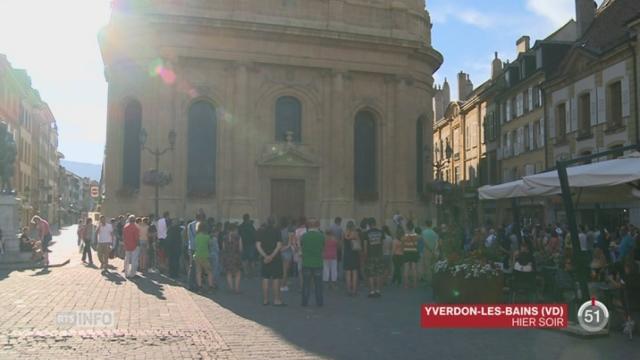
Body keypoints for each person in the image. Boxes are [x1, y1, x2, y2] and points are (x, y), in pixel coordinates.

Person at [256, 218, 285, 306]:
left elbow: (258, 245)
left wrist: (265, 256)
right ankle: (276, 300)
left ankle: (265, 300)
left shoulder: (261, 231)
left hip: (265, 258)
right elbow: (279, 245)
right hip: (275, 258)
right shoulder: (277, 231)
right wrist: (272, 256)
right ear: (274, 223)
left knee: (265, 278)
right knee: (276, 278)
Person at [300, 218, 325, 306]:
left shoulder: (304, 236)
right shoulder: (321, 236)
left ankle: (304, 302)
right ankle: (319, 302)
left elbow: (301, 247)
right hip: (318, 263)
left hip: (306, 262)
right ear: (317, 225)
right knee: (318, 285)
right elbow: (323, 248)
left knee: (306, 284)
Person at [364, 218, 385, 298]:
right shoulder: (381, 232)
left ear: (369, 225)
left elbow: (365, 245)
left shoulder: (367, 233)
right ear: (375, 223)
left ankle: (372, 291)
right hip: (379, 255)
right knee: (378, 273)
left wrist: (365, 255)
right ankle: (378, 290)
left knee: (371, 274)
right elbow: (382, 244)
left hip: (370, 255)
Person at [193, 222, 215, 292]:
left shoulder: (196, 236)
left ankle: (200, 287)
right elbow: (210, 244)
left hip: (197, 255)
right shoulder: (207, 237)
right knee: (209, 271)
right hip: (205, 256)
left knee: (198, 272)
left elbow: (195, 246)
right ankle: (211, 286)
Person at [222, 223, 243, 293]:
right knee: (238, 273)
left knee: (229, 273)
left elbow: (223, 248)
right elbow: (240, 248)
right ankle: (236, 289)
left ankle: (231, 288)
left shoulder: (225, 237)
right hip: (236, 256)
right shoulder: (238, 237)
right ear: (235, 229)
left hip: (227, 256)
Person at [343, 221, 360, 296]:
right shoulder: (356, 233)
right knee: (355, 272)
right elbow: (359, 243)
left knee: (348, 273)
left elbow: (342, 243)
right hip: (354, 254)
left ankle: (348, 290)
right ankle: (354, 290)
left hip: (347, 254)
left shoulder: (344, 233)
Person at [401, 221, 419, 289]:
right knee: (414, 269)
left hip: (406, 252)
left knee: (406, 268)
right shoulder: (416, 235)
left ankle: (406, 285)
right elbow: (418, 243)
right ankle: (415, 284)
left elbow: (402, 245)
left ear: (407, 227)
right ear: (413, 227)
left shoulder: (404, 236)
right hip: (414, 252)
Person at [280, 218, 294, 292]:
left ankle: (284, 283)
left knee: (282, 270)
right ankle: (283, 285)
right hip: (287, 252)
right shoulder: (289, 232)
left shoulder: (279, 231)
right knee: (285, 270)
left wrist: (281, 249)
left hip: (280, 251)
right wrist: (285, 248)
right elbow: (290, 243)